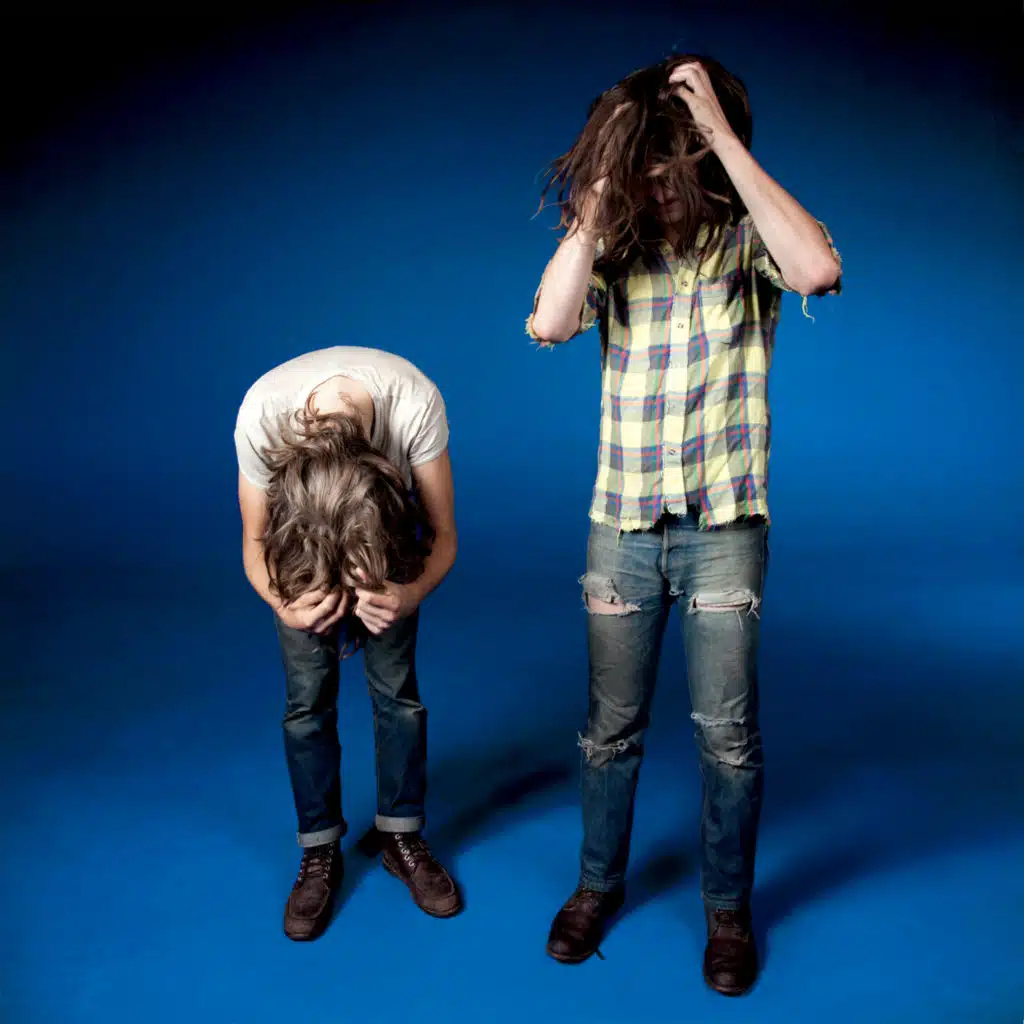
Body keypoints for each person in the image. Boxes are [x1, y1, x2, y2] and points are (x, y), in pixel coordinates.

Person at [526, 54, 842, 995]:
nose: (661, 192)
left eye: (677, 171)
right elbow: (551, 322)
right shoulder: (614, 252)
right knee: (609, 733)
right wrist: (596, 202)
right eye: (648, 174)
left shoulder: (748, 244)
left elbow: (818, 267)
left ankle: (728, 911)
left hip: (724, 531)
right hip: (622, 528)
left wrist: (725, 142)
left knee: (727, 739)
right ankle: (597, 887)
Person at [234, 346, 462, 940]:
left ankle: (400, 836)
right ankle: (319, 850)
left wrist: (408, 594)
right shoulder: (262, 414)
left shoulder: (414, 406)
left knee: (398, 696)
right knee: (307, 703)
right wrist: (285, 603)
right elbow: (255, 540)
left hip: (384, 544)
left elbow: (444, 534)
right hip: (299, 549)